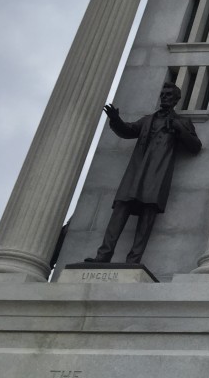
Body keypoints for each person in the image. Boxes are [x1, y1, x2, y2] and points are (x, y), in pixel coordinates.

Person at [86, 82, 201, 264]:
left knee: (148, 213)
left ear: (176, 99)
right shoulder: (147, 120)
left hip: (157, 174)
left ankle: (133, 259)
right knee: (121, 208)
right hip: (136, 171)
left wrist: (179, 129)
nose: (164, 97)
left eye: (169, 95)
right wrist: (115, 120)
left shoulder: (182, 122)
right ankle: (104, 255)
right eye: (162, 94)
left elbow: (195, 146)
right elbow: (128, 130)